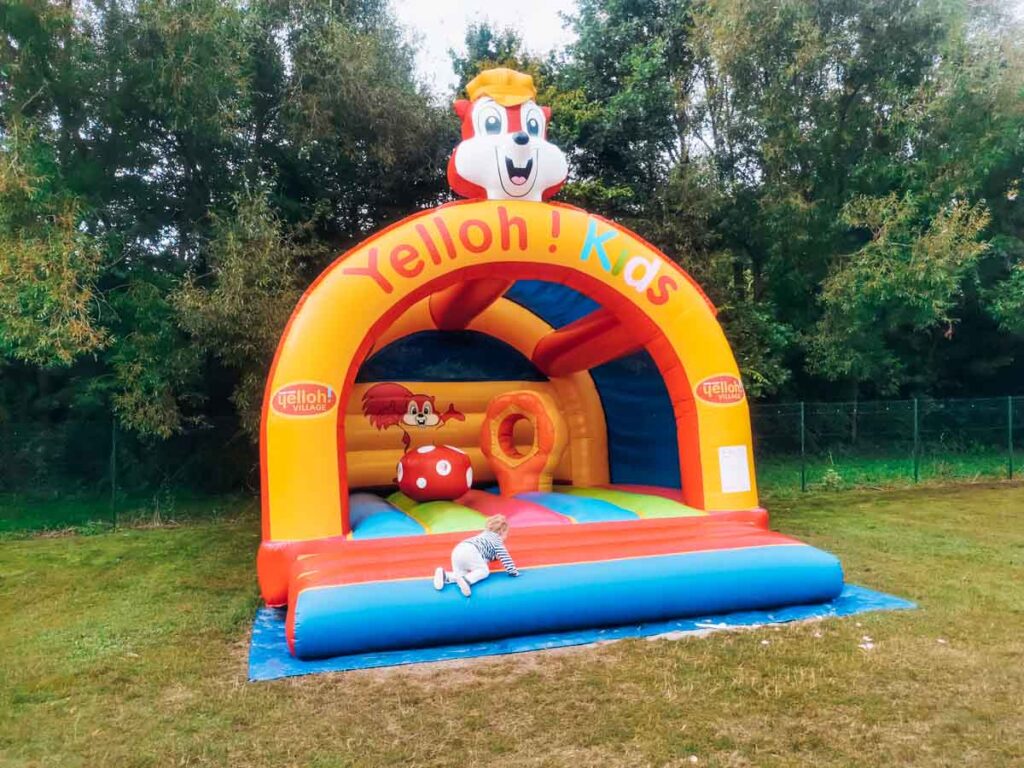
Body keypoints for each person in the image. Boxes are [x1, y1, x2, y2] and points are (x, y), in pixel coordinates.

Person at [433, 514, 520, 597]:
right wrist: (513, 572)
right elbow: (505, 558)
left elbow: (488, 552)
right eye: (506, 534)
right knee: (483, 571)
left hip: (458, 549)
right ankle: (467, 581)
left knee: (460, 574)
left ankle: (445, 575)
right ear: (502, 532)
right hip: (471, 551)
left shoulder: (484, 535)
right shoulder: (497, 540)